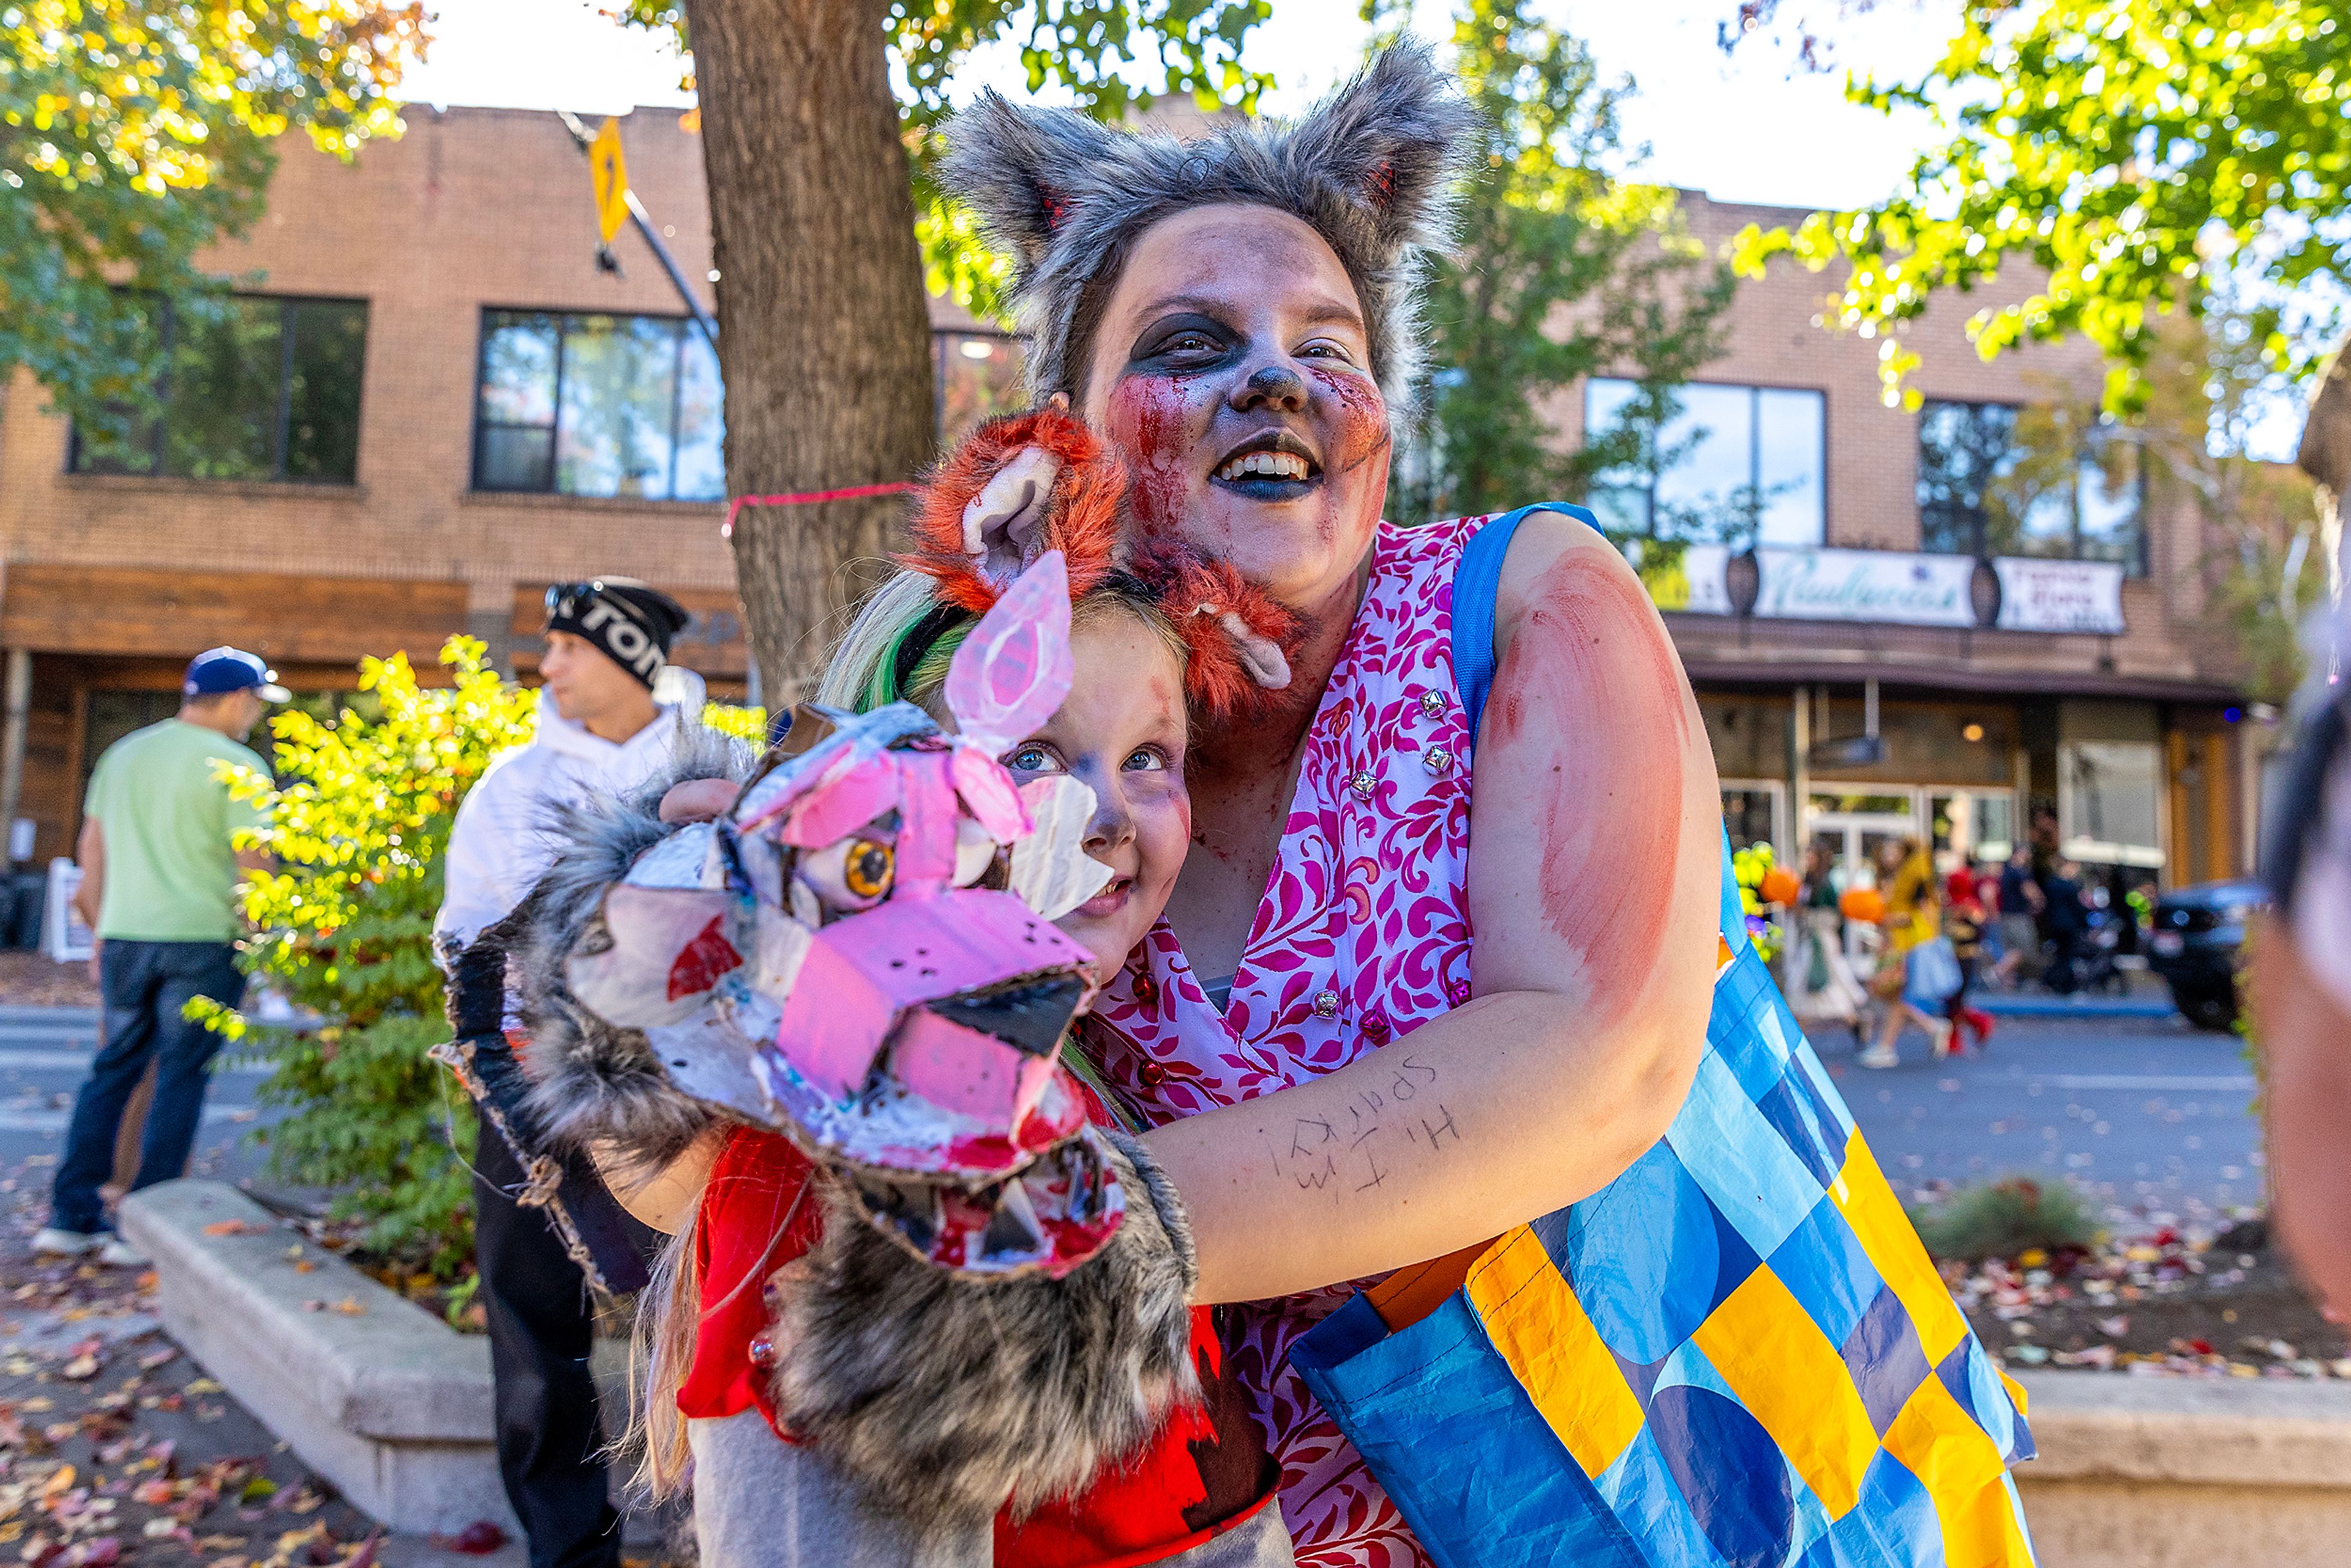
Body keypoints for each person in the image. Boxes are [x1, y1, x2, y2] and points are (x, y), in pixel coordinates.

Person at [434, 578, 696, 1568]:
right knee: (533, 1324)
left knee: (707, 1315)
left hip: (688, 1103)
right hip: (527, 1101)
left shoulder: (712, 768)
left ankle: (724, 1528)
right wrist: (495, 1069)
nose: (547, 668)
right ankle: (567, 1549)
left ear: (626, 653)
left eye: (568, 648)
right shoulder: (512, 787)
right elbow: (466, 937)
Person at [34, 647, 285, 1266]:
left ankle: (71, 1215)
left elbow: (92, 849)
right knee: (180, 1075)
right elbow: (255, 864)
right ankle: (142, 1225)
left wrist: (100, 927)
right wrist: (265, 939)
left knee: (112, 1070)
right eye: (255, 701)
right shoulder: (238, 764)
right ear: (235, 698)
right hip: (202, 941)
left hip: (125, 936)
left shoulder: (125, 754)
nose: (255, 714)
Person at [1859, 837, 1954, 1068]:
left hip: (1907, 947)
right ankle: (1933, 1028)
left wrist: (1889, 919)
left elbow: (1922, 915)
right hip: (1891, 946)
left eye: (1895, 850)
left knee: (1896, 996)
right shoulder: (1889, 880)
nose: (1888, 855)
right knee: (1888, 995)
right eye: (1886, 850)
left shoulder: (1914, 880)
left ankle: (1886, 1048)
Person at [1941, 867, 1996, 1051]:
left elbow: (1978, 932)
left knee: (1955, 999)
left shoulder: (1968, 906)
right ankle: (1974, 1025)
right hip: (1953, 958)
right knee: (1951, 1000)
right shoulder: (1955, 905)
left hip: (1964, 958)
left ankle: (1967, 1030)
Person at [1989, 842, 2044, 988]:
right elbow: (2030, 891)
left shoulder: (2004, 871)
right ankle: (1997, 972)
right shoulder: (2020, 872)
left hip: (2005, 915)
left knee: (2009, 949)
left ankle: (2007, 983)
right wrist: (2040, 901)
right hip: (2018, 916)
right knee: (2022, 949)